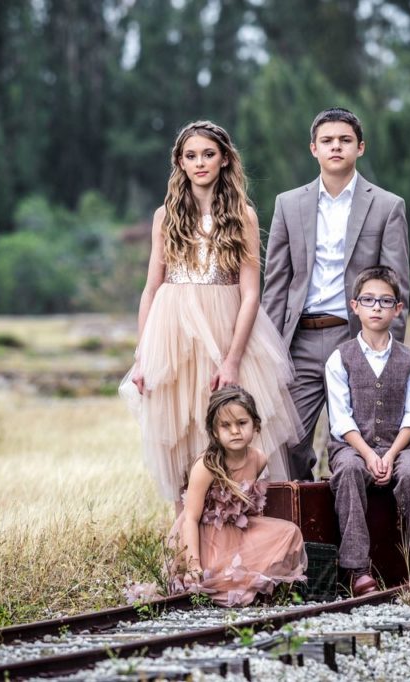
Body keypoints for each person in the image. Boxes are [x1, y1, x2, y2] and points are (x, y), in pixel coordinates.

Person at [119, 121, 302, 502]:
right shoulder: (164, 217)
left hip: (224, 332)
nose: (200, 162)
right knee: (180, 437)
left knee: (231, 427)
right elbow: (151, 288)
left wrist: (232, 360)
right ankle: (186, 542)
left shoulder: (243, 216)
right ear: (180, 163)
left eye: (208, 154)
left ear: (223, 159)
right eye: (191, 156)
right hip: (173, 338)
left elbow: (251, 293)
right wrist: (142, 357)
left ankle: (234, 535)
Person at [261, 107, 410, 481]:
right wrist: (267, 348)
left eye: (345, 140)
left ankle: (349, 530)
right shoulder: (288, 204)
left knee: (356, 448)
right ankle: (305, 527)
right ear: (314, 148)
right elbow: (276, 284)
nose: (336, 147)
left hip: (357, 338)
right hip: (302, 342)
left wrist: (388, 353)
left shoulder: (387, 206)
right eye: (327, 141)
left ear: (360, 148)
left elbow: (398, 285)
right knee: (288, 442)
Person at [324, 266, 410, 596]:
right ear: (354, 306)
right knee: (349, 470)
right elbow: (341, 421)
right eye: (368, 300)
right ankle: (357, 569)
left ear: (397, 309)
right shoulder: (339, 358)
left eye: (385, 301)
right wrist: (370, 455)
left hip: (401, 446)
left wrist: (391, 454)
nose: (376, 307)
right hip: (354, 447)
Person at [169, 386, 307, 606]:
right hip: (206, 537)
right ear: (215, 432)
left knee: (289, 532)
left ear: (256, 425)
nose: (235, 431)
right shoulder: (206, 466)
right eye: (226, 426)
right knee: (221, 573)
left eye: (242, 423)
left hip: (238, 531)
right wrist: (194, 564)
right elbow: (190, 519)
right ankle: (220, 580)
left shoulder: (258, 459)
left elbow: (249, 509)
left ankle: (255, 581)